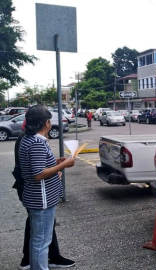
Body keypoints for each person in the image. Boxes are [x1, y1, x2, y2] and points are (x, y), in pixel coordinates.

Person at [19, 105, 75, 270]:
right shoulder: (36, 142)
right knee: (41, 241)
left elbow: (37, 166)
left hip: (37, 197)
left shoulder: (28, 139)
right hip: (41, 199)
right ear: (46, 123)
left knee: (39, 238)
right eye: (49, 120)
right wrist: (64, 164)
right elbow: (38, 174)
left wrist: (55, 162)